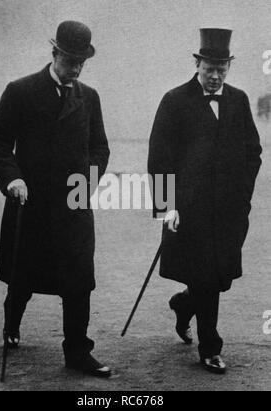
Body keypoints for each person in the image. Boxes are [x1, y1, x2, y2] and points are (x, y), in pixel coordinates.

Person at [0, 21, 111, 378]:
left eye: (81, 62)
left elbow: (99, 148)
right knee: (23, 276)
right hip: (31, 203)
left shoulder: (89, 97)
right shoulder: (20, 91)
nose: (75, 68)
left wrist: (85, 183)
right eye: (70, 60)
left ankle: (77, 352)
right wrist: (13, 179)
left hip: (73, 206)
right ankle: (12, 321)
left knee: (79, 281)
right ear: (54, 53)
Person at [148, 28, 262, 374]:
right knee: (206, 276)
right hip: (189, 212)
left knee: (219, 277)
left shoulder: (238, 100)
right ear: (197, 64)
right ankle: (210, 347)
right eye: (208, 68)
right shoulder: (174, 100)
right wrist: (166, 207)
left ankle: (184, 305)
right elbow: (159, 159)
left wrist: (242, 193)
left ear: (229, 66)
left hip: (229, 211)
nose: (214, 76)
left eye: (221, 69)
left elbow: (252, 152)